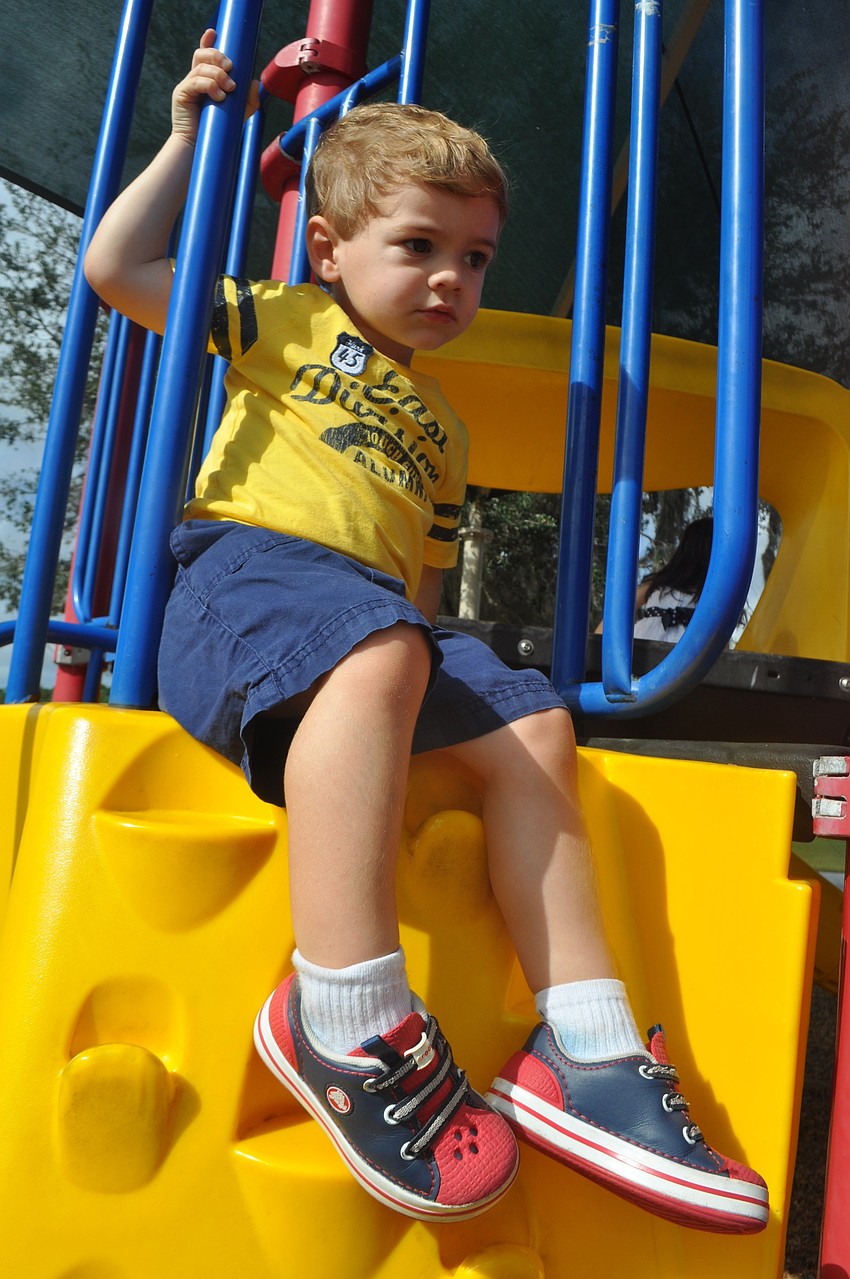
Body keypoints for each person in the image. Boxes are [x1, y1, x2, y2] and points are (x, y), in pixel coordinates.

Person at [84, 32, 769, 1231]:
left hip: (371, 615)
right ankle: (343, 1010)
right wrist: (194, 143)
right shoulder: (285, 322)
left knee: (533, 718)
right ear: (329, 246)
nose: (453, 279)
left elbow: (430, 589)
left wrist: (450, 696)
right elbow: (118, 265)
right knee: (383, 645)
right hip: (244, 576)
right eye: (419, 247)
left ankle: (587, 1051)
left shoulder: (440, 430)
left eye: (476, 258)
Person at [634, 516, 714, 643]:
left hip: (646, 651)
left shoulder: (712, 599)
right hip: (682, 655)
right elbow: (616, 615)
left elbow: (614, 617)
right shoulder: (656, 585)